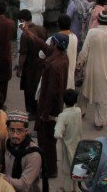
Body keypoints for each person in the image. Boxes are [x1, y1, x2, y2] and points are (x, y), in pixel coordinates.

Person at [76, 10, 107, 128]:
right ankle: (99, 122)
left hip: (92, 69)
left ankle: (81, 111)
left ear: (98, 20)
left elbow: (84, 52)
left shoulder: (92, 32)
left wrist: (78, 66)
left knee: (85, 91)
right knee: (104, 98)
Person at [36, 33, 69, 178]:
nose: (49, 44)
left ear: (55, 45)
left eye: (51, 43)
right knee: (48, 140)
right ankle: (49, 167)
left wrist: (45, 113)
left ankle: (49, 169)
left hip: (49, 108)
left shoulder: (55, 65)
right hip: (54, 106)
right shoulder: (63, 58)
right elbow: (44, 46)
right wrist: (29, 33)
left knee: (46, 141)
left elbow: (51, 92)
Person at [3, 110, 44, 192]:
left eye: (19, 130)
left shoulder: (34, 155)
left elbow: (24, 185)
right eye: (12, 130)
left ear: (26, 131)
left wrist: (1, 178)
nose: (15, 135)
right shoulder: (7, 143)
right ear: (7, 130)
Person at [17, 9, 47, 117]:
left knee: (29, 89)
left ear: (23, 21)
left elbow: (23, 54)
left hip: (30, 65)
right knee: (38, 87)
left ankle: (32, 111)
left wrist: (19, 69)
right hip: (41, 63)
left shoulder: (25, 35)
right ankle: (38, 108)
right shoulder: (42, 29)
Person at [54, 89, 81, 192]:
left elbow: (57, 134)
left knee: (66, 169)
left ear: (63, 101)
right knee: (76, 167)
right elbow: (68, 120)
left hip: (67, 145)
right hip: (78, 144)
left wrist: (61, 134)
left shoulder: (63, 116)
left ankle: (67, 189)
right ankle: (76, 188)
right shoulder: (78, 111)